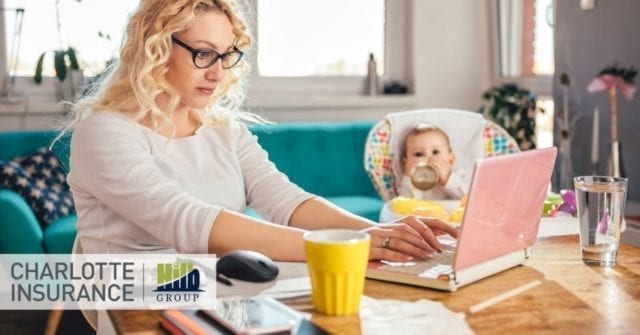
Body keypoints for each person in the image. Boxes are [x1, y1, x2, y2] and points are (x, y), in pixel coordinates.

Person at [66, 0, 457, 263]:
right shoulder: (104, 132)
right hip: (138, 295)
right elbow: (186, 220)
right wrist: (351, 245)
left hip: (221, 285)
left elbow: (285, 201)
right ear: (156, 47)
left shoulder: (223, 129)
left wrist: (377, 231)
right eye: (203, 53)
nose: (218, 73)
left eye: (226, 55)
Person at [398, 123, 468, 200]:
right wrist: (408, 178)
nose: (428, 159)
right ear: (405, 164)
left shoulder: (458, 176)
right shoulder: (408, 183)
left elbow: (469, 199)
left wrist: (447, 179)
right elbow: (404, 205)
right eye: (418, 154)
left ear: (450, 161)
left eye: (435, 152)